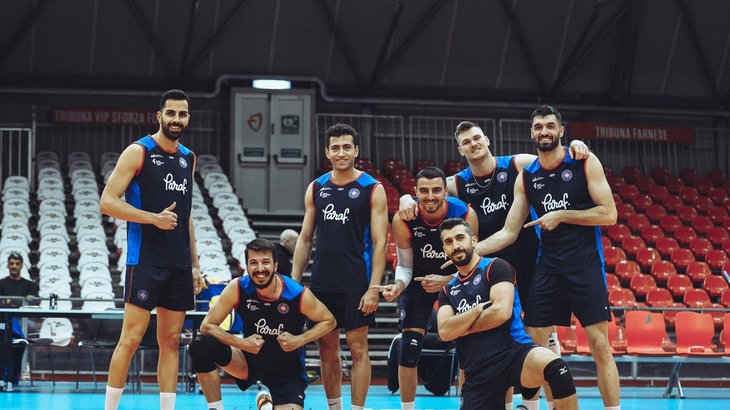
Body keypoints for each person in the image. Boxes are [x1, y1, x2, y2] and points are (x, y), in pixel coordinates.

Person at [401, 121, 589, 408]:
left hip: (530, 259)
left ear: (487, 140)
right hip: (488, 268)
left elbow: (553, 158)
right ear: (460, 149)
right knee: (488, 342)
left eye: (477, 138)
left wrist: (574, 146)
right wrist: (406, 198)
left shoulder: (516, 163)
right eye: (466, 141)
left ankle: (537, 406)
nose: (473, 144)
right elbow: (428, 193)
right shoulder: (456, 183)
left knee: (543, 338)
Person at [475, 105, 620, 410]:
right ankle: (530, 408)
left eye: (550, 126)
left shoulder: (584, 161)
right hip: (549, 269)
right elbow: (508, 232)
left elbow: (609, 214)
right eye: (539, 127)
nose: (544, 131)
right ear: (532, 133)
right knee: (532, 347)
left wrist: (562, 215)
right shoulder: (527, 177)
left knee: (600, 347)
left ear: (561, 130)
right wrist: (469, 253)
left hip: (585, 266)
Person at [99, 89, 204, 410]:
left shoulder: (189, 157)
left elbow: (186, 215)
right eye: (170, 113)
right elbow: (107, 202)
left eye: (182, 114)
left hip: (179, 264)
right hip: (145, 260)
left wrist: (195, 264)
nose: (176, 119)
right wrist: (153, 219)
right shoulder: (138, 151)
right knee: (130, 339)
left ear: (188, 118)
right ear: (159, 115)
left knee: (171, 341)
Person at [291, 123, 388, 410]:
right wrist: (293, 283)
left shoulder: (372, 188)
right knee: (326, 350)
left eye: (347, 147)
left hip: (357, 282)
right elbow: (305, 238)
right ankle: (335, 407)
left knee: (358, 349)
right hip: (322, 281)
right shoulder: (317, 187)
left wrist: (373, 288)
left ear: (356, 150)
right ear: (327, 152)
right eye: (335, 148)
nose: (341, 152)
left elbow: (380, 242)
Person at [436, 218, 578, 410]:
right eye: (448, 242)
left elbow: (500, 313)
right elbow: (445, 332)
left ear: (474, 241)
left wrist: (461, 328)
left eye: (460, 238)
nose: (455, 246)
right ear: (444, 250)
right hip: (478, 371)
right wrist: (477, 310)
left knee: (557, 369)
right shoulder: (447, 291)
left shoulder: (496, 267)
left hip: (514, 353)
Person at [373, 166, 478, 410]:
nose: (430, 196)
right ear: (416, 191)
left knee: (468, 350)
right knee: (408, 349)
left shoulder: (464, 213)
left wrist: (447, 280)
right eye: (424, 191)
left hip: (457, 279)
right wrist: (398, 285)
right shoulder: (404, 218)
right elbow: (405, 265)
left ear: (445, 191)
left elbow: (473, 262)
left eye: (436, 190)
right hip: (419, 281)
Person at [189, 238, 336, 410]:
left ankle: (266, 403)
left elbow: (329, 321)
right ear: (246, 266)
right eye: (253, 263)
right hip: (248, 362)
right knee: (201, 345)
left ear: (275, 265)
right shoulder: (238, 287)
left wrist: (299, 340)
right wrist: (242, 343)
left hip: (286, 373)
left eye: (265, 262)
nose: (260, 269)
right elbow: (206, 326)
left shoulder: (296, 293)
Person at [0, 252, 38, 391]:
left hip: (24, 322)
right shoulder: (1, 284)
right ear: (8, 265)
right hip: (3, 322)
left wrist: (11, 302)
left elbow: (33, 303)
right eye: (11, 263)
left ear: (22, 265)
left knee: (13, 334)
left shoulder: (29, 285)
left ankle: (12, 376)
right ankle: (6, 376)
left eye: (17, 263)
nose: (14, 266)